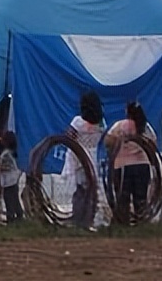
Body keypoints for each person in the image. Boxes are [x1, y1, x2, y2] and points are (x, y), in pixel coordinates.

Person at [106, 101, 156, 226]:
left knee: (123, 197)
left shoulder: (120, 125)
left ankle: (123, 224)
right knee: (141, 198)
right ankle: (142, 223)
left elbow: (108, 141)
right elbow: (153, 144)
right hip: (142, 165)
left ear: (127, 112)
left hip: (122, 167)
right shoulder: (145, 127)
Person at [64, 90, 105, 230]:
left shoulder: (77, 122)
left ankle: (79, 220)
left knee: (80, 190)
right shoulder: (101, 123)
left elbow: (68, 137)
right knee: (91, 189)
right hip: (92, 157)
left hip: (77, 157)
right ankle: (89, 219)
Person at [0, 131, 23, 223]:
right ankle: (19, 217)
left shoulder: (5, 155)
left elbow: (5, 168)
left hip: (8, 181)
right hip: (13, 180)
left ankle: (11, 219)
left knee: (9, 200)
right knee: (15, 200)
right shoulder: (12, 153)